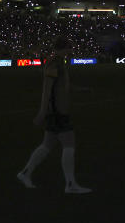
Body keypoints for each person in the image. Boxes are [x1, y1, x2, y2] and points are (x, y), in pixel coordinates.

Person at [16, 37, 92, 194]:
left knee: (47, 145)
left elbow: (62, 85)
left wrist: (80, 89)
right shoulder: (54, 63)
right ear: (63, 48)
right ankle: (70, 184)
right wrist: (42, 112)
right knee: (69, 143)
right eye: (69, 48)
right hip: (57, 111)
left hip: (57, 110)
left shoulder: (58, 62)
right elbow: (47, 89)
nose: (71, 50)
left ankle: (25, 173)